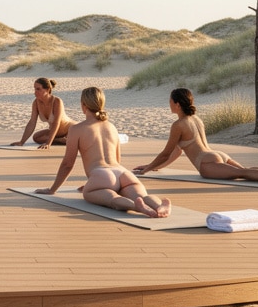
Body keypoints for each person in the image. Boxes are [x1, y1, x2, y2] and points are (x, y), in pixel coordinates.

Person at [35, 87, 170, 217]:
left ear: (83, 105)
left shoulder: (77, 129)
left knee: (110, 198)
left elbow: (67, 164)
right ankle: (159, 206)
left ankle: (136, 207)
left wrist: (52, 189)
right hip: (123, 173)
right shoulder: (111, 126)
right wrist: (98, 181)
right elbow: (117, 159)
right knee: (143, 196)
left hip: (101, 174)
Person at [133, 88, 258, 185]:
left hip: (207, 163)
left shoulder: (178, 125)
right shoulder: (196, 119)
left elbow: (166, 152)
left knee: (244, 173)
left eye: (170, 101)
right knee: (246, 171)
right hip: (219, 154)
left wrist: (147, 170)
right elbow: (177, 152)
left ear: (177, 104)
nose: (169, 104)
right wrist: (153, 166)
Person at [10, 77, 73, 148]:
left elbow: (56, 123)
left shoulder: (56, 101)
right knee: (36, 137)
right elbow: (32, 122)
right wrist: (22, 142)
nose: (35, 92)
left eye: (38, 89)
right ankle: (60, 140)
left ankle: (63, 139)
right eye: (34, 89)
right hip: (57, 133)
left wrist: (48, 143)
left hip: (70, 130)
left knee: (73, 138)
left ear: (48, 89)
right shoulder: (36, 103)